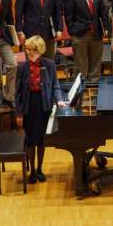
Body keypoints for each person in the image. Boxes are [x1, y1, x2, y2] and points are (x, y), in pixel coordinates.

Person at [15, 35, 67, 184]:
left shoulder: (49, 64)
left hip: (43, 106)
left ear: (39, 50)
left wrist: (59, 101)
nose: (28, 52)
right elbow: (17, 93)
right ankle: (31, 171)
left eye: (31, 50)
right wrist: (18, 113)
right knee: (31, 141)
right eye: (27, 49)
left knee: (41, 141)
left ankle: (39, 170)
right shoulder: (22, 67)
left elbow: (55, 86)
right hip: (29, 106)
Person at [65, 0, 109, 82]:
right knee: (80, 66)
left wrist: (106, 27)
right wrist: (73, 32)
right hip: (80, 35)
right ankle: (80, 92)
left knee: (95, 64)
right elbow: (69, 17)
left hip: (96, 33)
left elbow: (102, 11)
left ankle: (94, 90)